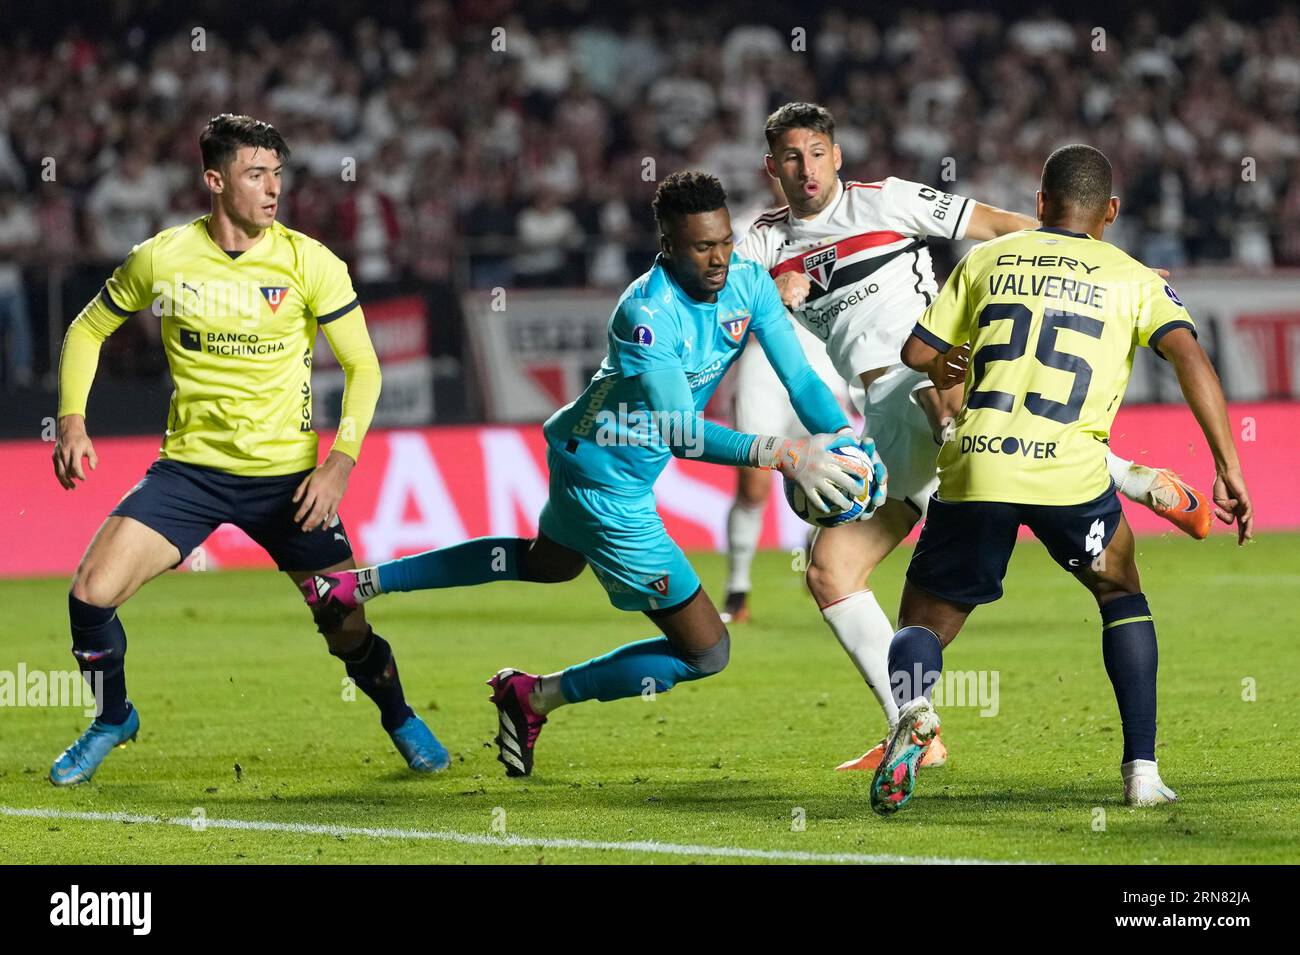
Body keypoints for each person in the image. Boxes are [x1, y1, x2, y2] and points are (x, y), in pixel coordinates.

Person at [300, 171, 882, 778]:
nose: (718, 259)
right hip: (607, 482)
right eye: (700, 247)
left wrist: (843, 437)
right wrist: (786, 454)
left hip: (595, 455)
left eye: (725, 241)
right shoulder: (646, 313)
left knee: (545, 563)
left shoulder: (747, 284)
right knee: (707, 651)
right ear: (668, 245)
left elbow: (803, 380)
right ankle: (535, 695)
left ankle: (357, 586)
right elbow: (681, 433)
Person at [734, 102, 1214, 772]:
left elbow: (1004, 225)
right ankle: (913, 724)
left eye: (817, 152)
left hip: (937, 365)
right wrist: (764, 296)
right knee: (830, 570)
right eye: (791, 156)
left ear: (837, 156)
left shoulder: (888, 200)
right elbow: (722, 308)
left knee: (946, 401)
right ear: (771, 167)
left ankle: (1123, 473)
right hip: (883, 414)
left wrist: (1106, 262)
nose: (806, 168)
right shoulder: (760, 241)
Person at [48, 114, 449, 786]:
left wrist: (339, 463)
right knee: (90, 594)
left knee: (344, 627)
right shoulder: (162, 257)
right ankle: (112, 715)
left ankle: (400, 715)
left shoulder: (309, 261)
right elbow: (87, 330)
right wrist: (70, 419)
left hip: (289, 481)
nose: (273, 189)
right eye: (256, 173)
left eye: (278, 175)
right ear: (215, 179)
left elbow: (365, 367)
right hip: (190, 474)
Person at [870, 144, 1253, 815]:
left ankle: (918, 707)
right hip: (1071, 473)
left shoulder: (986, 259)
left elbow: (916, 354)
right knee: (1120, 592)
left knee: (922, 620)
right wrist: (1228, 463)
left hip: (979, 461)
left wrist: (947, 363)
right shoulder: (1134, 276)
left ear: (1040, 203)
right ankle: (1141, 771)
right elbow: (1189, 355)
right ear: (1110, 210)